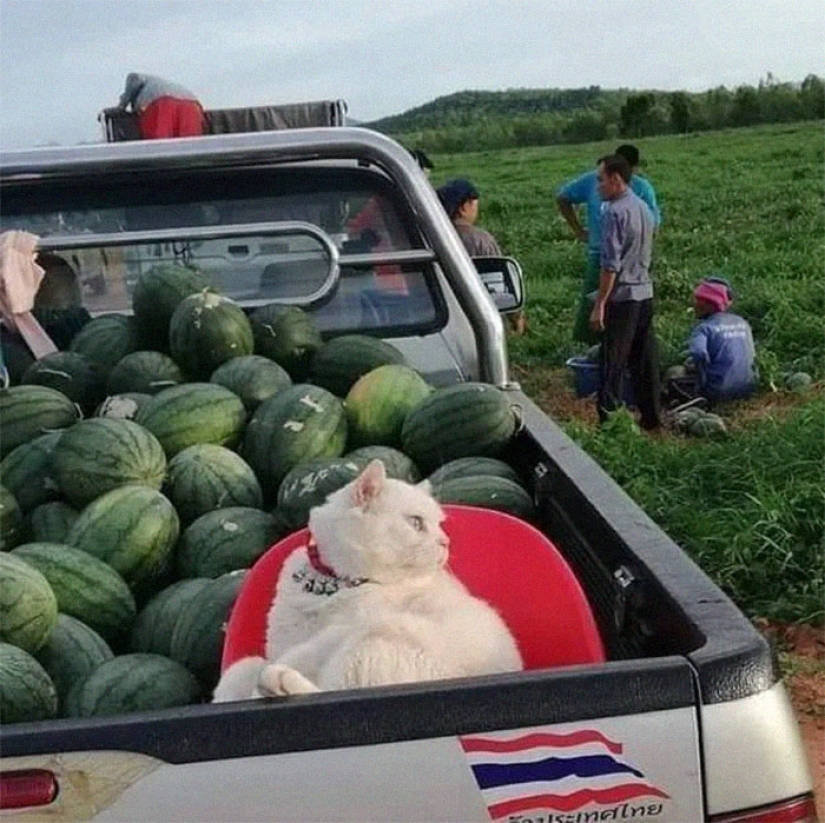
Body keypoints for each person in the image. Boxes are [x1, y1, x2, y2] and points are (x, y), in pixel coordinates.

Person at [557, 144, 661, 344]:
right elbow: (563, 197)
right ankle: (592, 346)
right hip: (605, 255)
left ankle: (614, 348)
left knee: (621, 309)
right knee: (596, 305)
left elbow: (652, 223)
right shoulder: (595, 182)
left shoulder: (640, 190)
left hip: (625, 258)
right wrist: (578, 230)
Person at [590, 154, 660, 430]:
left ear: (616, 179)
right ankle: (652, 417)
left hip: (624, 297)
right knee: (644, 360)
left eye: (601, 180)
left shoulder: (615, 213)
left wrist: (600, 304)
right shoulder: (643, 207)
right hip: (644, 293)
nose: (598, 187)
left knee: (612, 362)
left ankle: (609, 424)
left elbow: (610, 266)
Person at [437, 179, 526, 333]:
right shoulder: (480, 240)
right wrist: (516, 318)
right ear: (464, 207)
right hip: (478, 318)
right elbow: (500, 283)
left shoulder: (430, 237)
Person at [665, 279, 757, 408]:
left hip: (719, 391)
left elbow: (699, 353)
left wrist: (700, 373)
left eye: (698, 301)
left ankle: (695, 399)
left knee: (674, 373)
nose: (695, 305)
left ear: (709, 304)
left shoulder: (704, 328)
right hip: (749, 387)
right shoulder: (742, 322)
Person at [117, 73, 205, 139]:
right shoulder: (162, 82)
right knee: (190, 144)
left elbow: (135, 80)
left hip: (162, 102)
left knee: (159, 144)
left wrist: (122, 105)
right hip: (191, 103)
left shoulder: (137, 77)